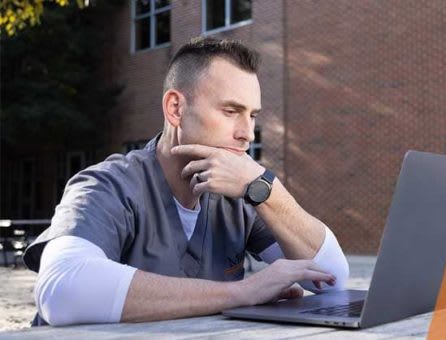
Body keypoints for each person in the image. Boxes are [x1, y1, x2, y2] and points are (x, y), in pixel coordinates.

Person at [23, 37, 349, 326]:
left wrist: (266, 189)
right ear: (176, 108)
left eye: (252, 115)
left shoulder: (241, 194)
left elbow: (333, 279)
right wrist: (243, 292)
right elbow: (62, 290)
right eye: (231, 111)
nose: (247, 133)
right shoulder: (107, 185)